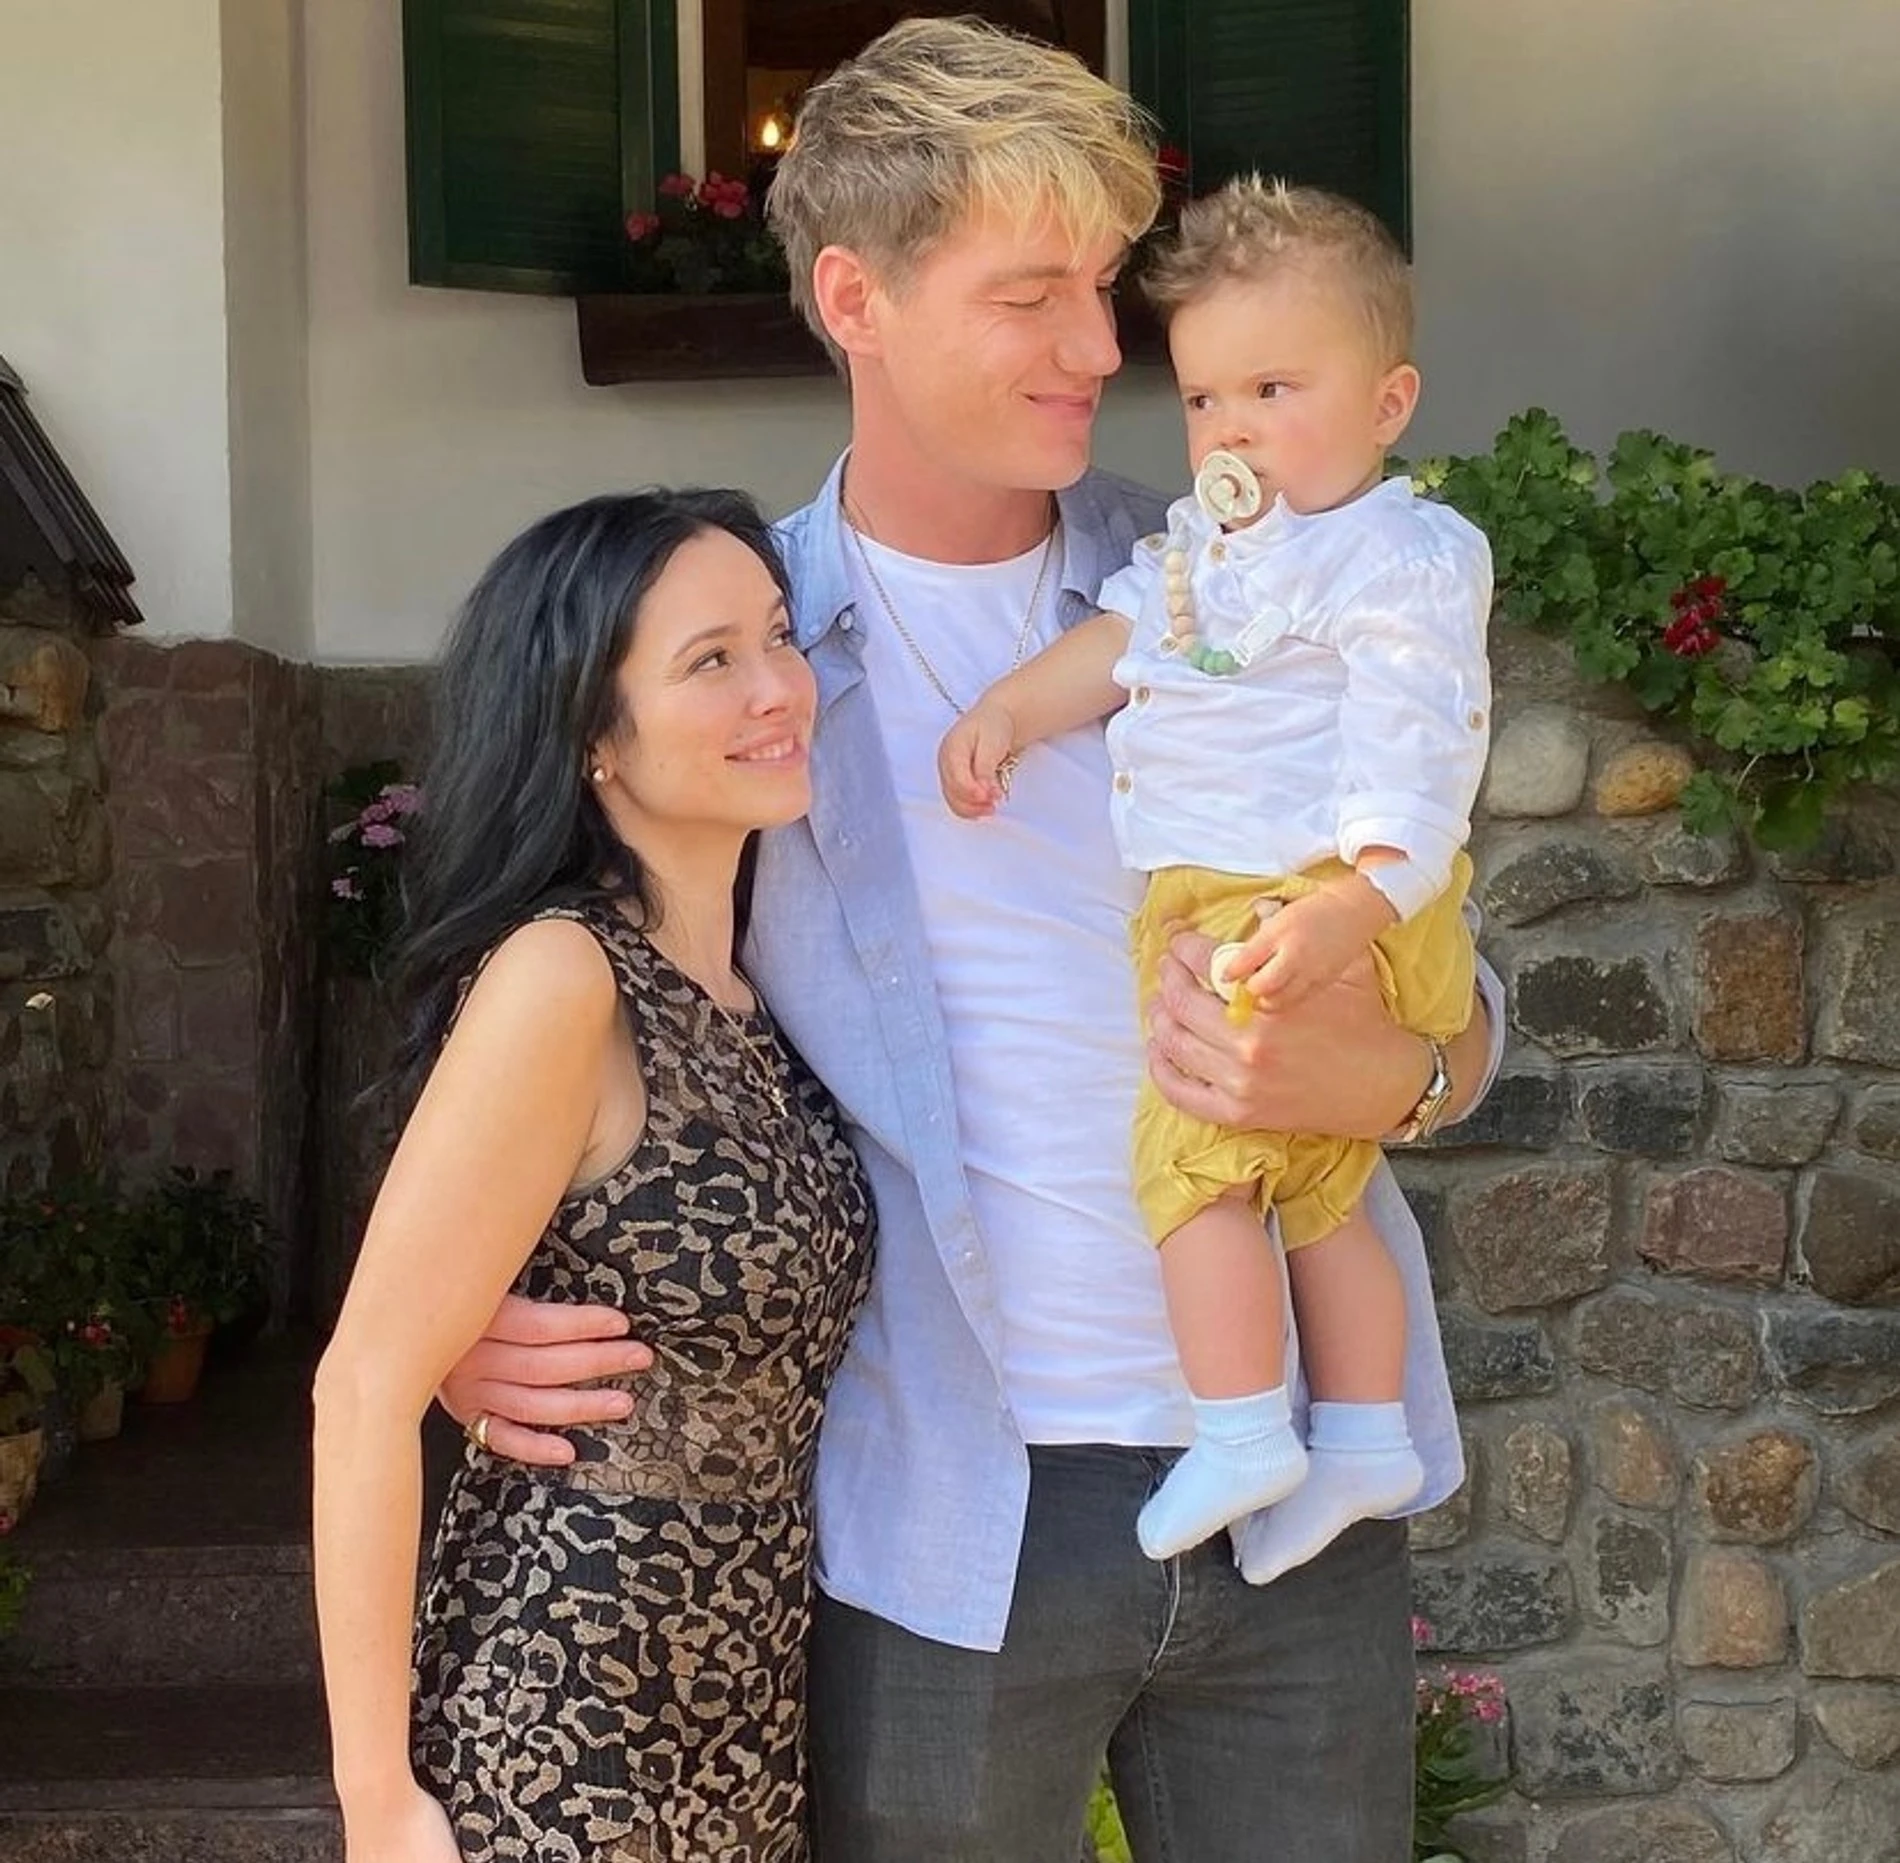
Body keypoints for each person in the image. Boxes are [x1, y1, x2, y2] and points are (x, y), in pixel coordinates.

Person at [439, 20, 1507, 1861]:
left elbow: (1460, 996)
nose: (1101, 348)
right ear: (855, 299)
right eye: (1034, 295)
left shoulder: (1248, 576)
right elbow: (545, 973)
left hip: (1301, 1487)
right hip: (952, 1514)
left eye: (1104, 289)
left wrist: (1398, 1076)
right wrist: (450, 1309)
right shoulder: (739, 656)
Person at [937, 176, 1493, 1575]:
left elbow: (1423, 745)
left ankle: (1242, 1425)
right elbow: (1120, 642)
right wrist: (1012, 708)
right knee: (1317, 1183)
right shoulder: (1205, 552)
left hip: (1309, 893)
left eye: (1273, 389)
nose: (1231, 428)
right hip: (1259, 892)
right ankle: (1363, 1431)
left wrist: (1353, 904)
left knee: (1190, 1166)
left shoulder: (1396, 556)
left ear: (1389, 402)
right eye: (1203, 399)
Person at [311, 490, 875, 1863]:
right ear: (592, 737)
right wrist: (376, 1798)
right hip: (568, 1698)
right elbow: (362, 1387)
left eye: (779, 637)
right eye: (710, 659)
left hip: (740, 1700)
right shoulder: (566, 975)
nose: (777, 687)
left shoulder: (748, 988)